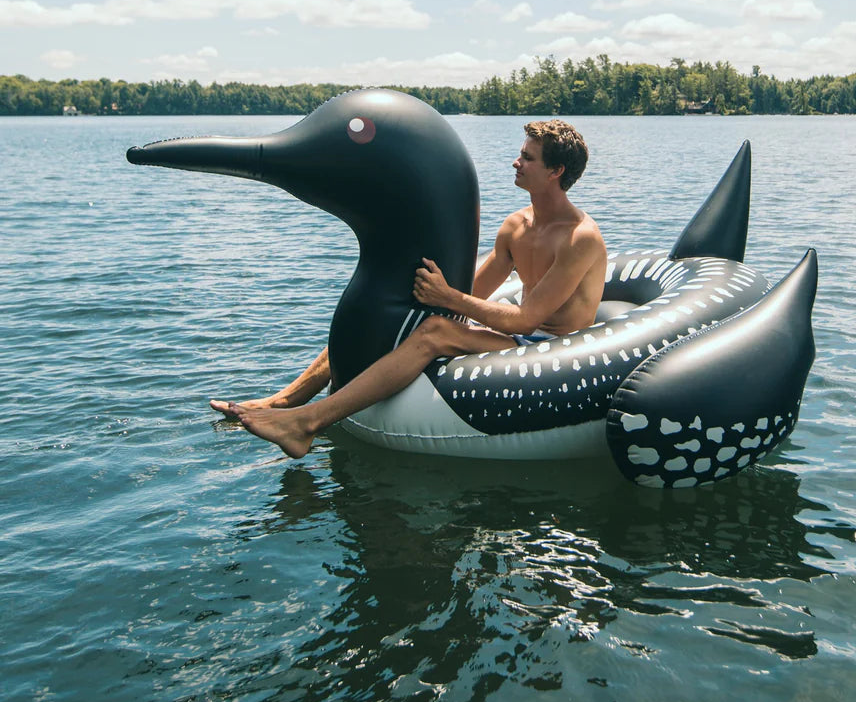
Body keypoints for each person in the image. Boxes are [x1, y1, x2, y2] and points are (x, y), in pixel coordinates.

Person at [213, 120, 607, 458]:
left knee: (435, 332)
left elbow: (527, 318)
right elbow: (477, 290)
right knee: (385, 317)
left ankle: (307, 423)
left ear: (555, 171)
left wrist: (446, 298)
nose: (516, 162)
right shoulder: (516, 226)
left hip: (555, 347)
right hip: (517, 336)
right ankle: (283, 400)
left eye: (528, 158)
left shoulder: (579, 238)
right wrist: (409, 302)